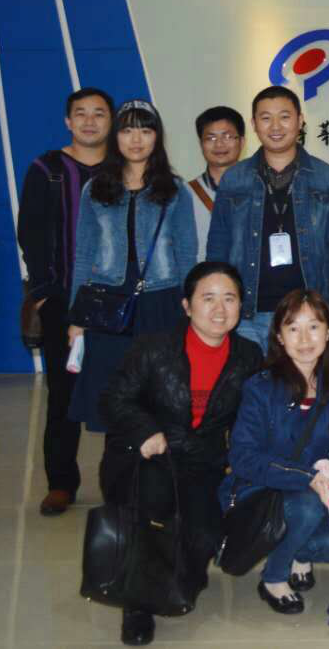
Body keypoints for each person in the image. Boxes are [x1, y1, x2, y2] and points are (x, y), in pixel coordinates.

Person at [98, 261, 264, 645]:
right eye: (208, 298)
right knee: (154, 517)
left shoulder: (248, 356)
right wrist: (145, 430)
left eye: (230, 299)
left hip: (203, 461)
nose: (219, 309)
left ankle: (176, 577)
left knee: (203, 534)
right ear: (187, 306)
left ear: (241, 306)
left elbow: (251, 415)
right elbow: (112, 399)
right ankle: (137, 605)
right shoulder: (153, 348)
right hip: (146, 457)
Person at [68, 100, 197, 434]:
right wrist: (76, 318)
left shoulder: (175, 190)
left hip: (162, 299)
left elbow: (187, 253)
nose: (136, 139)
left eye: (145, 130)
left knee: (159, 397)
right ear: (115, 136)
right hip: (107, 303)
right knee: (112, 397)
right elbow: (84, 253)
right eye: (127, 130)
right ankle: (119, 468)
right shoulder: (95, 189)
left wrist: (190, 308)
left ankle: (156, 467)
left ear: (157, 137)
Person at [221, 289, 329, 613]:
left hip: (320, 491)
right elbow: (242, 457)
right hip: (261, 489)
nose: (305, 338)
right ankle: (274, 577)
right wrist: (306, 477)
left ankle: (297, 551)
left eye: (314, 326)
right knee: (307, 507)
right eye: (293, 328)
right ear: (280, 337)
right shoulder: (260, 387)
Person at [17, 87, 113, 517]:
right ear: (68, 121)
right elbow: (31, 232)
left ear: (111, 121)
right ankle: (60, 483)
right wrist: (43, 292)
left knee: (119, 393)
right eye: (81, 113)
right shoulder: (47, 169)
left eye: (99, 113)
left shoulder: (124, 168)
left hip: (115, 300)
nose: (90, 121)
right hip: (62, 300)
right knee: (62, 394)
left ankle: (118, 483)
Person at [207, 86, 329, 352]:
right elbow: (218, 246)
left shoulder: (326, 178)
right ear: (254, 124)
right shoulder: (235, 178)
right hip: (246, 315)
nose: (276, 126)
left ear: (300, 120)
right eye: (266, 118)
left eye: (284, 116)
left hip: (307, 315)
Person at [186, 106, 245, 261]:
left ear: (242, 141)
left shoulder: (260, 188)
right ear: (201, 144)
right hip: (204, 274)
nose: (219, 144)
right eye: (211, 138)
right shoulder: (185, 193)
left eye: (227, 136)